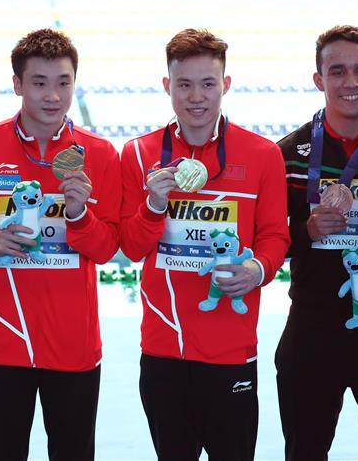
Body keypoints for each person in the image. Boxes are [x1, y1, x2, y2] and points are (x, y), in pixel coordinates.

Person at [0, 28, 120, 461]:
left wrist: (79, 215)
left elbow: (109, 248)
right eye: (39, 82)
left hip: (74, 344)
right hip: (3, 342)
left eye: (63, 82)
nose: (53, 95)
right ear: (18, 84)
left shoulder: (100, 154)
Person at [119, 28, 289, 461]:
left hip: (231, 351)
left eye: (208, 83)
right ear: (167, 86)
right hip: (162, 349)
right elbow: (132, 247)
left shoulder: (262, 154)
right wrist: (154, 205)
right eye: (184, 84)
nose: (196, 97)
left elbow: (274, 236)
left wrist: (258, 270)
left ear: (225, 85)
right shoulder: (138, 155)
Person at [274, 25, 358, 460]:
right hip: (312, 330)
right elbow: (267, 243)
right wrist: (306, 232)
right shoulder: (287, 153)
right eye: (337, 71)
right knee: (304, 450)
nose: (350, 82)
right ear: (319, 79)